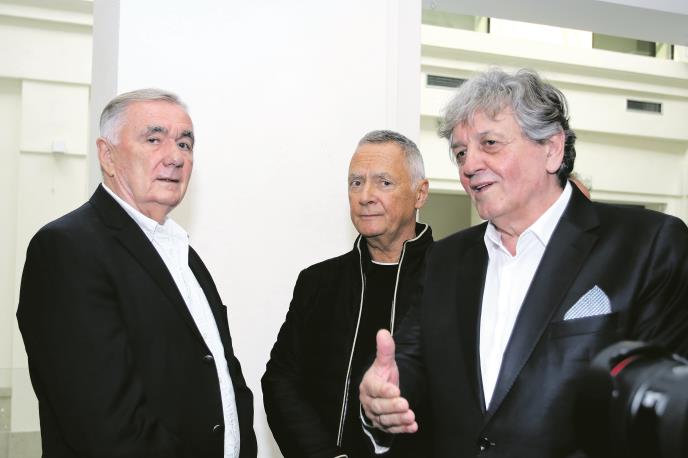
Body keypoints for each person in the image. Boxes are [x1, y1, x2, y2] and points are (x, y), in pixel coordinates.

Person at [359, 69, 688, 457]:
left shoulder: (647, 245)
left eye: (490, 143)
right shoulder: (444, 260)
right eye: (460, 153)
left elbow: (663, 411)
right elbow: (410, 363)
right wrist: (384, 398)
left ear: (551, 149)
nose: (469, 165)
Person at [17, 89, 257, 458]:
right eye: (154, 139)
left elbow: (221, 375)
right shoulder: (66, 249)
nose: (175, 157)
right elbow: (105, 425)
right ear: (107, 155)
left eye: (185, 144)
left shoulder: (182, 252)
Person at [262, 130, 433, 457]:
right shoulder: (318, 282)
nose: (365, 196)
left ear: (420, 193)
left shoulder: (452, 279)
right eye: (356, 183)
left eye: (384, 182)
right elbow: (281, 380)